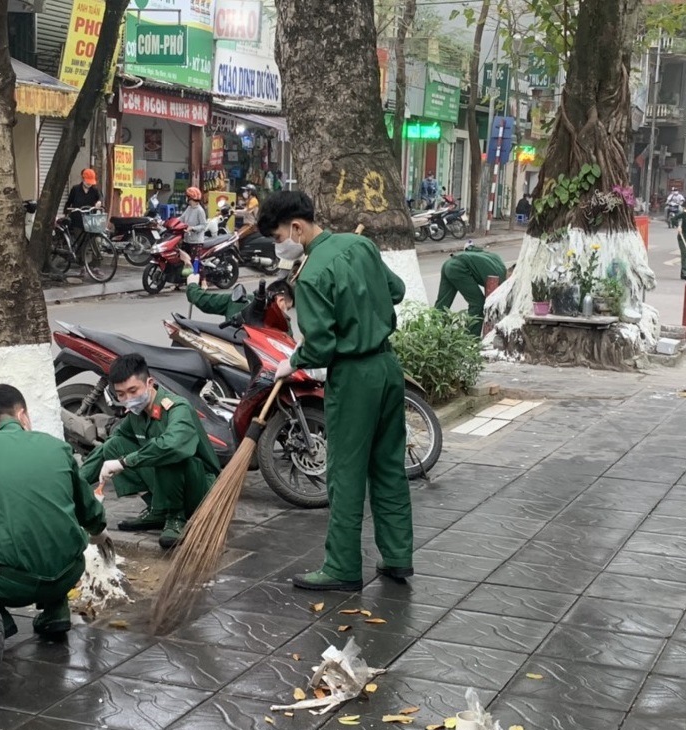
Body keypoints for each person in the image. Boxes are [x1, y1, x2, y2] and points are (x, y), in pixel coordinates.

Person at [258, 191, 413, 591]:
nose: (280, 248)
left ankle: (343, 566)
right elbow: (395, 290)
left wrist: (293, 360)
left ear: (296, 227)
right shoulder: (360, 244)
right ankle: (397, 556)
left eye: (278, 238)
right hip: (387, 368)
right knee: (388, 466)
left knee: (344, 473)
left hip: (354, 376)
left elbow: (322, 345)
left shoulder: (309, 275)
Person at [0, 384, 107, 639]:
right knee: (51, 530)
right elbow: (89, 510)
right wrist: (98, 532)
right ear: (22, 415)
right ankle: (56, 612)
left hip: (10, 584)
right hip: (69, 571)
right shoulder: (56, 447)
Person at [79, 353, 220, 549]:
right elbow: (111, 445)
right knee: (114, 445)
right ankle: (158, 509)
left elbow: (172, 446)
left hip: (200, 488)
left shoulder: (177, 408)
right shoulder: (137, 413)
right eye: (121, 394)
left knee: (165, 452)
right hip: (171, 484)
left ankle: (175, 517)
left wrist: (124, 462)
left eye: (133, 390)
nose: (127, 399)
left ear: (149, 383)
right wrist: (73, 484)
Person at [435, 245, 510, 337]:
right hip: (459, 268)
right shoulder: (500, 278)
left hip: (449, 263)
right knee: (478, 304)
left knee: (443, 303)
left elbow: (475, 249)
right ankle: (470, 339)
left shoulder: (497, 260)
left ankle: (431, 333)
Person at [65, 168, 103, 238]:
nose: (89, 184)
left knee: (90, 240)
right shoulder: (75, 189)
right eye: (87, 182)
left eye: (91, 182)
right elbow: (69, 202)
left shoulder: (95, 190)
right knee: (79, 240)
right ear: (83, 179)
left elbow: (100, 197)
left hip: (90, 219)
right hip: (77, 219)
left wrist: (99, 202)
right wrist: (66, 212)